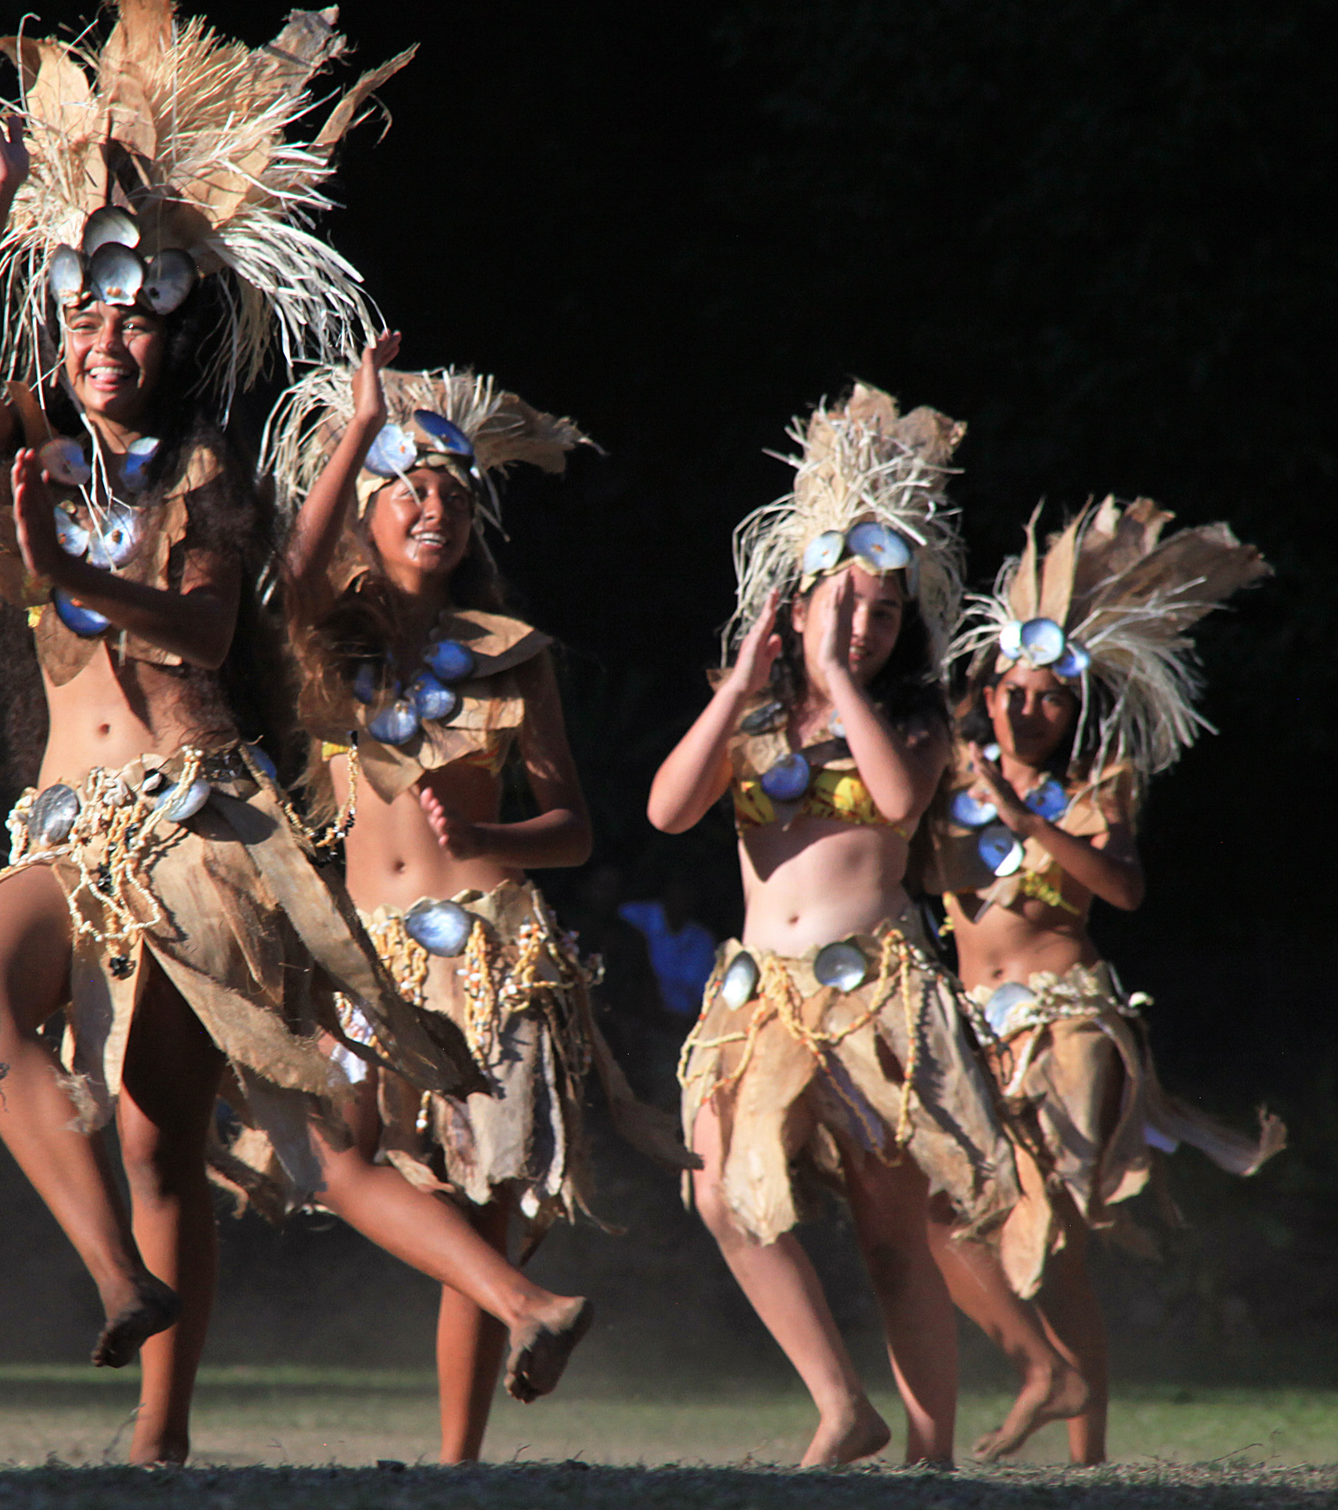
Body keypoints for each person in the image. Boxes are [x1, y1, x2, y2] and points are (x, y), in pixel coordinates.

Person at [0, 0, 487, 1464]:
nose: (111, 334)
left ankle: (159, 1429)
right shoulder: (28, 438)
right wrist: (0, 193)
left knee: (165, 1133)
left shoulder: (201, 474)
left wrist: (67, 573)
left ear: (175, 337)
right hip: (64, 821)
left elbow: (212, 625)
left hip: (191, 820)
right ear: (66, 314)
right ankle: (111, 1272)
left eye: (142, 317)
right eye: (89, 307)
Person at [269, 343, 681, 1461]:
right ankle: (527, 1305)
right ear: (368, 507)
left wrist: (491, 834)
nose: (432, 502)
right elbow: (290, 573)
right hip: (365, 962)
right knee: (329, 1156)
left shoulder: (511, 655)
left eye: (451, 486)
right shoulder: (331, 640)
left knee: (481, 1197)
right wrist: (357, 427)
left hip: (490, 950)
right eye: (407, 484)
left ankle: (460, 1460)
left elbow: (576, 828)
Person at [646, 383, 1018, 1466]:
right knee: (720, 1192)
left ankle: (930, 1452)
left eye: (887, 610)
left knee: (893, 1231)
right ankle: (840, 1403)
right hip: (761, 990)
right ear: (795, 596)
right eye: (844, 601)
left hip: (875, 992)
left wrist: (839, 679)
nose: (865, 624)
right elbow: (670, 811)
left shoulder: (911, 713)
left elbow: (901, 804)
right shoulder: (749, 709)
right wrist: (747, 685)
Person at [922, 497, 1284, 1464]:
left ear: (1075, 706)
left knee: (1057, 1237)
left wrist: (1024, 816)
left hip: (1068, 1025)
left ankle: (1087, 1454)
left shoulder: (1097, 788)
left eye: (1052, 695)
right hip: (967, 1026)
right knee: (938, 1216)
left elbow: (1121, 887)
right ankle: (1033, 1374)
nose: (1030, 708)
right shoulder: (938, 778)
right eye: (1015, 690)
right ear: (986, 688)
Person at [619, 876, 718, 1018]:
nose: (680, 900)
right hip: (636, 1015)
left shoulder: (703, 939)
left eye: (687, 895)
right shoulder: (633, 917)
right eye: (676, 892)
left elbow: (703, 997)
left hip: (681, 1022)